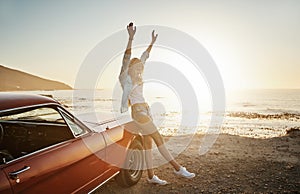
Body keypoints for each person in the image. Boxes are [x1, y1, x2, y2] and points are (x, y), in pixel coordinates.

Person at [119, 22, 195, 185]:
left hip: (146, 110)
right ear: (129, 68)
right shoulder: (125, 79)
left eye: (140, 68)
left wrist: (152, 43)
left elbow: (145, 56)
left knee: (148, 143)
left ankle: (151, 176)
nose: (139, 70)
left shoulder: (139, 75)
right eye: (136, 67)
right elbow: (126, 58)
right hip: (138, 113)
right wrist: (131, 38)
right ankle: (177, 168)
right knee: (158, 138)